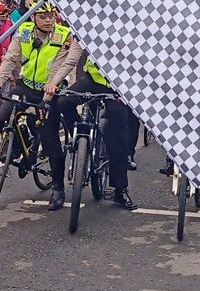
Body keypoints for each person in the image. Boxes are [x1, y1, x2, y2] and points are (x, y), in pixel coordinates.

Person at [0, 0, 71, 210]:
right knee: (1, 120)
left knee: (51, 140)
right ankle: (20, 143)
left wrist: (46, 100)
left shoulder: (62, 35)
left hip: (50, 90)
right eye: (43, 16)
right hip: (26, 86)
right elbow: (10, 59)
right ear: (33, 17)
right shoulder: (24, 32)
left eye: (51, 16)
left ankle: (58, 188)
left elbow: (58, 68)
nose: (48, 20)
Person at [48, 35, 139, 210]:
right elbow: (71, 60)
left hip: (119, 86)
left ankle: (120, 190)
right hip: (92, 80)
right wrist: (54, 82)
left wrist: (129, 90)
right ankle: (81, 134)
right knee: (63, 102)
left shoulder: (128, 32)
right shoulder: (88, 29)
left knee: (118, 138)